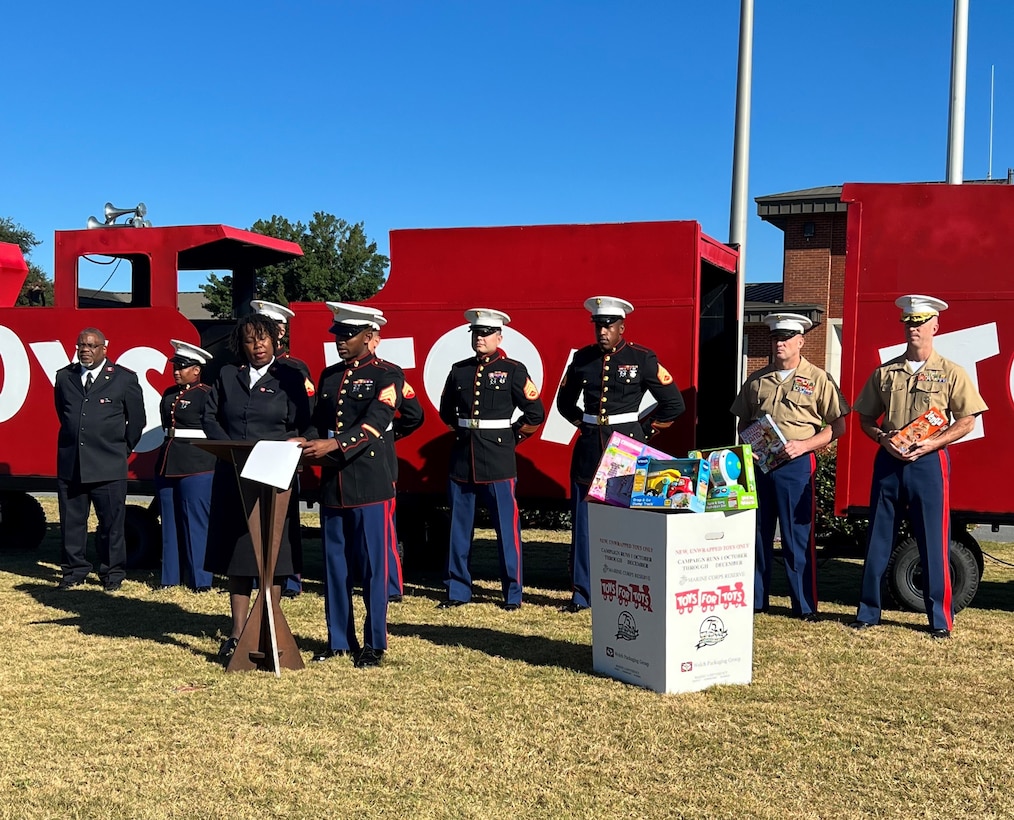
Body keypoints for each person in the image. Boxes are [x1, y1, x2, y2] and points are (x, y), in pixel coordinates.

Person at [849, 295, 987, 639]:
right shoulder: (885, 372)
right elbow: (865, 418)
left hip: (928, 463)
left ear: (935, 326)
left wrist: (933, 442)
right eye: (909, 322)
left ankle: (939, 619)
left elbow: (967, 420)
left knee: (933, 540)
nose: (914, 328)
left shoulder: (952, 372)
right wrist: (882, 438)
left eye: (921, 322)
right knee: (878, 538)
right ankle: (868, 612)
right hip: (889, 462)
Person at [556, 296, 685, 612]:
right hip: (589, 448)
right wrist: (584, 425)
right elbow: (564, 403)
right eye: (598, 325)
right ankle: (582, 594)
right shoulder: (582, 360)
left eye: (608, 326)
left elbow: (674, 404)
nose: (602, 331)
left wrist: (644, 432)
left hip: (626, 449)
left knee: (628, 523)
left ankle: (629, 588)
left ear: (622, 327)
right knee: (584, 523)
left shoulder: (642, 358)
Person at [202, 314, 313, 661]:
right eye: (250, 340)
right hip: (234, 472)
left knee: (274, 552)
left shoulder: (291, 377)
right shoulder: (226, 376)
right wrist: (230, 450)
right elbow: (210, 418)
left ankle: (268, 624)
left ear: (275, 341)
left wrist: (297, 443)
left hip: (274, 475)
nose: (257, 346)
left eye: (263, 339)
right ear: (242, 345)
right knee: (239, 553)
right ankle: (237, 632)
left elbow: (306, 423)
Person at [300, 302, 402, 668]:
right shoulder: (329, 376)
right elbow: (317, 422)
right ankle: (339, 639)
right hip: (334, 482)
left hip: (370, 482)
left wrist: (336, 444)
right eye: (338, 335)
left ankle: (374, 643)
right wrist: (306, 441)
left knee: (375, 568)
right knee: (334, 566)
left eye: (349, 335)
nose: (341, 342)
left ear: (370, 337)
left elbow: (377, 421)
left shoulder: (387, 375)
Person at [730, 313, 849, 620]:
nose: (779, 343)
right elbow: (744, 421)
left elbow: (838, 426)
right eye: (775, 338)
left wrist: (806, 445)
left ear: (800, 341)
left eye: (785, 338)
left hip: (797, 465)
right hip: (760, 465)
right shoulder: (757, 380)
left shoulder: (819, 378)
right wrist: (748, 448)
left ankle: (804, 606)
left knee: (798, 537)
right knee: (757, 534)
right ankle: (757, 600)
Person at [437, 308, 545, 610]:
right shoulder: (459, 370)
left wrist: (511, 439)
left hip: (498, 459)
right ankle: (457, 590)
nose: (480, 338)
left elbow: (536, 413)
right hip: (462, 458)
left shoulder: (513, 369)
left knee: (507, 531)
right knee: (458, 529)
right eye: (476, 333)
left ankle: (512, 593)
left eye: (486, 333)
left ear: (499, 336)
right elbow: (447, 411)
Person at [53, 327, 146, 592]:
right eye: (81, 345)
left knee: (111, 525)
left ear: (104, 348)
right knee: (72, 524)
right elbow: (65, 413)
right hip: (72, 464)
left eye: (92, 346)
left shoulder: (123, 379)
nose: (85, 350)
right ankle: (74, 571)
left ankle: (112, 574)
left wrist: (122, 449)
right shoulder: (64, 377)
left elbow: (137, 421)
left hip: (109, 465)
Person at [251, 299, 314, 598]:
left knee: (286, 520)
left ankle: (291, 578)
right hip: (250, 455)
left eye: (268, 329)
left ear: (281, 333)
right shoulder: (243, 368)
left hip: (283, 454)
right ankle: (255, 573)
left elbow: (306, 414)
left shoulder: (293, 369)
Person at [367, 324, 424, 603]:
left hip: (380, 458)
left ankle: (391, 585)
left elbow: (414, 414)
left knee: (386, 526)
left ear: (374, 341)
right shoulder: (337, 375)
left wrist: (387, 434)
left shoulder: (390, 374)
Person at [154, 340, 217, 592]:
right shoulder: (169, 394)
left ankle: (200, 579)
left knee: (196, 523)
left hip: (197, 462)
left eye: (182, 367)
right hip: (169, 460)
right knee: (168, 522)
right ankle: (170, 577)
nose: (176, 371)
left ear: (197, 369)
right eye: (175, 366)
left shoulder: (207, 394)